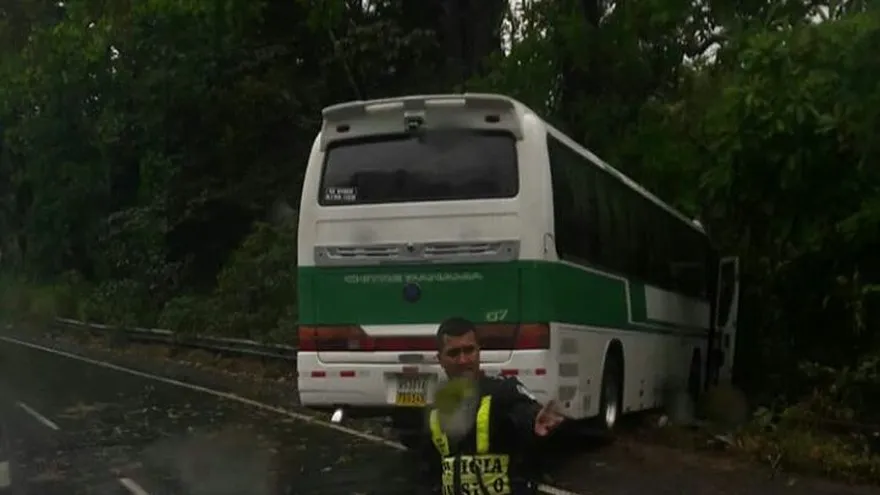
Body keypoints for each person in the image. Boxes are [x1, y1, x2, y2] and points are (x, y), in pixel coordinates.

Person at [414, 317, 565, 495]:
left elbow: (523, 410)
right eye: (454, 353)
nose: (463, 360)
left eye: (469, 350)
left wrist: (534, 420)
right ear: (440, 359)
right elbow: (430, 470)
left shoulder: (502, 391)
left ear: (479, 351)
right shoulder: (436, 410)